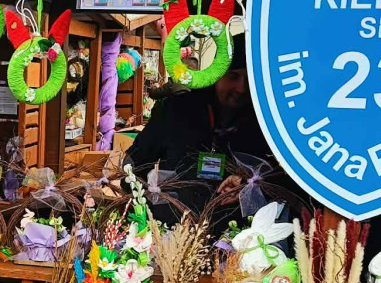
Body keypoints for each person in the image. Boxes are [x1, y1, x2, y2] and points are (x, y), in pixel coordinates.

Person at [125, 35, 295, 221]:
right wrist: (145, 214)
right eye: (233, 76)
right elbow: (133, 166)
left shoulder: (266, 125)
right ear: (217, 74)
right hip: (173, 228)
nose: (241, 88)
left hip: (234, 232)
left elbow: (283, 181)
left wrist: (250, 183)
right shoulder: (176, 110)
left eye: (250, 79)